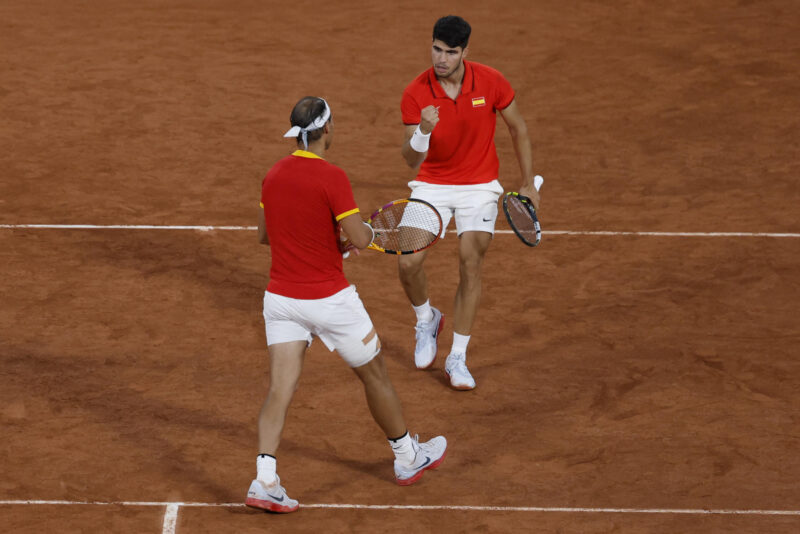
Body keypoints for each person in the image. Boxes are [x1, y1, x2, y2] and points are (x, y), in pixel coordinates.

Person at [246, 96, 447, 513]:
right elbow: (359, 238)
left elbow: (267, 235)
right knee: (375, 376)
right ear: (326, 130)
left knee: (279, 390)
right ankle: (407, 457)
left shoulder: (273, 174)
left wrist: (329, 239)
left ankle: (265, 480)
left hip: (280, 300)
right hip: (330, 300)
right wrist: (359, 235)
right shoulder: (331, 176)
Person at [399, 15, 542, 390]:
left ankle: (457, 356)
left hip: (479, 185)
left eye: (450, 52)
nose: (441, 58)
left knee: (470, 261)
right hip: (431, 183)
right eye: (436, 49)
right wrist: (424, 132)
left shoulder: (491, 81)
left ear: (465, 52)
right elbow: (411, 160)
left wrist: (528, 183)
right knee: (409, 260)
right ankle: (426, 319)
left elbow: (518, 128)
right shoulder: (416, 92)